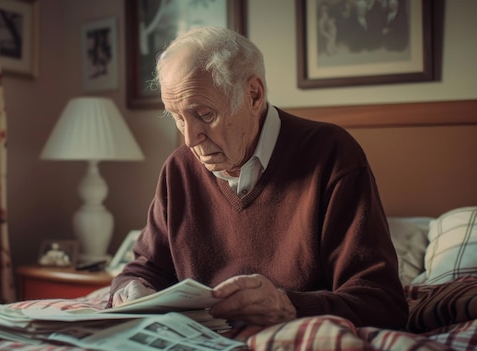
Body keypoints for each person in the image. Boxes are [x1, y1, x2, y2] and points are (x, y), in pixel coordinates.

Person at [107, 26, 408, 330]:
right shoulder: (179, 168)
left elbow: (382, 303)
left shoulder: (332, 154)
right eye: (177, 116)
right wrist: (130, 289)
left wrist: (288, 306)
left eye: (205, 115)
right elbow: (144, 270)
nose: (189, 139)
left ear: (253, 95)